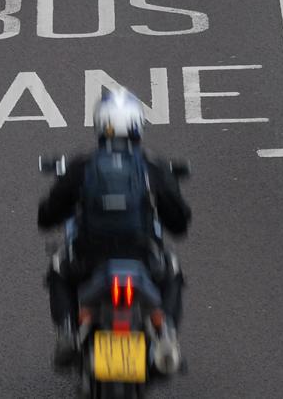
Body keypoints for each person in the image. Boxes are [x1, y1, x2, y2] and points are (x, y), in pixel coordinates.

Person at [37, 89, 191, 374]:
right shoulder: (151, 166)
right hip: (142, 255)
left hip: (89, 256)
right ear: (137, 125)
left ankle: (69, 331)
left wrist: (50, 214)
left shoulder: (83, 165)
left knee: (59, 268)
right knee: (172, 269)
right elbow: (179, 222)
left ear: (99, 124)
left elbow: (48, 215)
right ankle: (167, 333)